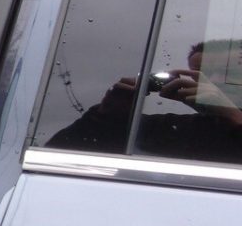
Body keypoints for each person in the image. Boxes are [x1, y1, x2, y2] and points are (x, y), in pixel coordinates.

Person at [48, 39, 242, 161]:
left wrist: (233, 117)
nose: (213, 80)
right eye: (201, 73)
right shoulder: (184, 130)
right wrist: (107, 115)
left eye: (229, 73)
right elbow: (59, 152)